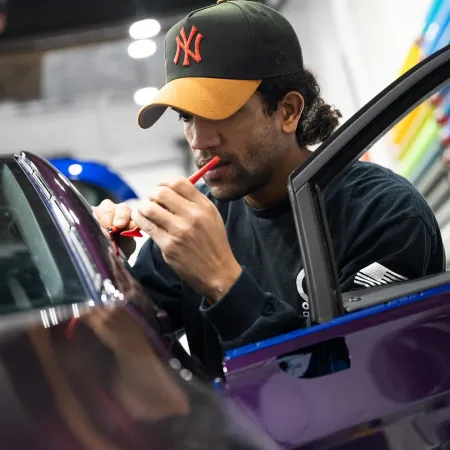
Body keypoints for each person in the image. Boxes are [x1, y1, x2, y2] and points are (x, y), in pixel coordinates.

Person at [93, 0, 445, 377]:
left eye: (218, 112)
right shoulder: (199, 221)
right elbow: (118, 351)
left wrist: (222, 281)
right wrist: (106, 266)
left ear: (288, 111)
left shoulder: (383, 212)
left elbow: (353, 387)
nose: (198, 139)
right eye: (186, 117)